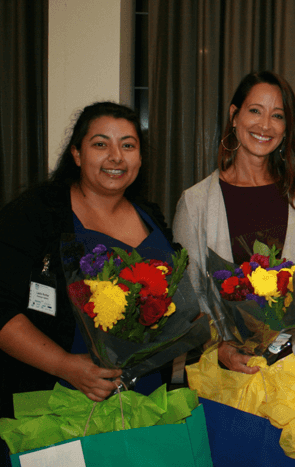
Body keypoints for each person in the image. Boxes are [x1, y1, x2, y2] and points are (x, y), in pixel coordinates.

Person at [0, 102, 175, 419]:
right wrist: (65, 366)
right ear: (77, 154)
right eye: (100, 144)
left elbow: (176, 298)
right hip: (59, 404)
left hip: (145, 401)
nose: (116, 156)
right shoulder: (36, 215)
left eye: (128, 145)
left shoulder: (151, 216)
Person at [173, 71, 295, 374]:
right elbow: (190, 295)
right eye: (255, 111)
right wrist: (218, 346)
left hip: (294, 365)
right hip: (227, 370)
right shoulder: (196, 202)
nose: (265, 125)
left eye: (277, 116)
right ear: (234, 116)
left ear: (286, 127)